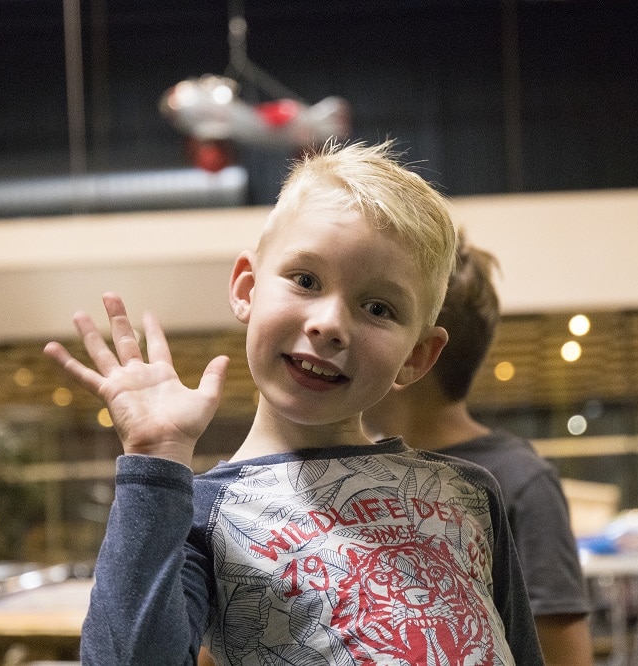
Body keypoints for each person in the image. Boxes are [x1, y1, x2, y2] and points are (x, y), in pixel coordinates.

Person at [45, 140, 545, 665]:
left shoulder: (467, 494)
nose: (329, 324)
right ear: (246, 288)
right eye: (305, 280)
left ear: (418, 356)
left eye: (378, 308)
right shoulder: (205, 514)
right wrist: (154, 460)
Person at [363, 236, 595, 666]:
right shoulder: (357, 475)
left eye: (376, 313)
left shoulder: (522, 483)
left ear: (416, 354)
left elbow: (564, 656)